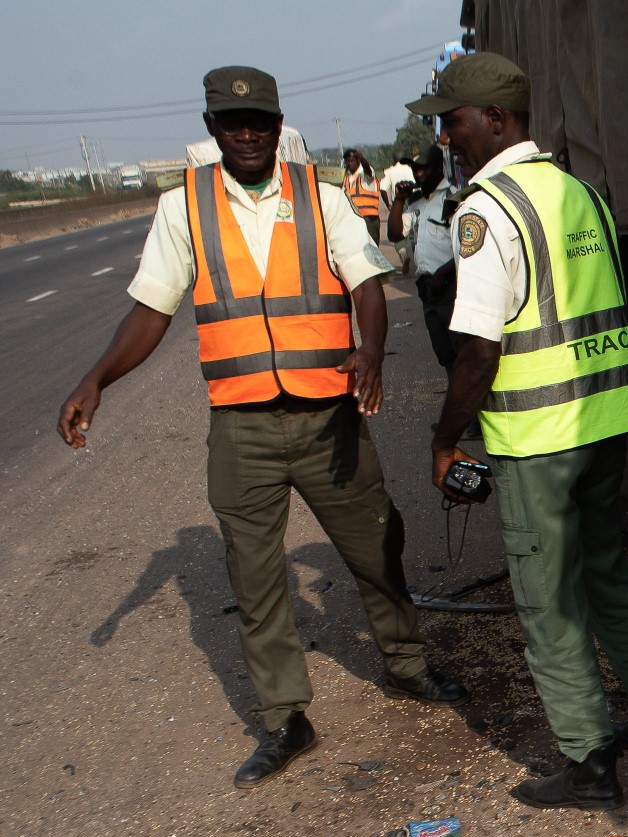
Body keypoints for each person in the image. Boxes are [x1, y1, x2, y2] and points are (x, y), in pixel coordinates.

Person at [55, 66, 469, 790]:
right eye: (231, 123)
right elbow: (152, 307)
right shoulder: (182, 208)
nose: (246, 134)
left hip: (326, 417)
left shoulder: (323, 197)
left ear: (279, 125)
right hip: (241, 427)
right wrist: (97, 379)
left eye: (259, 121)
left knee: (377, 543)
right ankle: (286, 718)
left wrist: (370, 348)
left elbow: (367, 282)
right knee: (255, 575)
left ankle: (406, 664)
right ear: (212, 128)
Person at [407, 53, 628, 812]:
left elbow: (478, 352)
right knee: (605, 573)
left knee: (549, 601)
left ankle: (590, 764)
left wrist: (444, 440)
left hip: (540, 438)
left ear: (495, 120)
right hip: (608, 423)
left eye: (452, 118)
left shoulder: (485, 211)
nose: (444, 133)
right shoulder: (581, 194)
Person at [388, 145, 460, 368]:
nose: (418, 174)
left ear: (439, 168)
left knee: (461, 352)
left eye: (423, 169)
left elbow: (467, 246)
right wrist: (399, 201)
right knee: (444, 353)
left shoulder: (453, 197)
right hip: (428, 289)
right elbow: (395, 234)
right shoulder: (416, 202)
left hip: (451, 286)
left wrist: (444, 272)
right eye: (415, 169)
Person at [377, 157, 416, 272]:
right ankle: (418, 259)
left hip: (400, 203)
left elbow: (383, 189)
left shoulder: (390, 171)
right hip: (415, 201)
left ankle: (404, 255)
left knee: (399, 233)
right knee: (414, 231)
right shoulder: (411, 169)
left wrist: (388, 204)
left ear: (393, 161)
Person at [342, 149, 382, 244]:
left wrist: (362, 159)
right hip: (352, 219)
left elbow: (368, 170)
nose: (350, 163)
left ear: (358, 161)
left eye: (352, 160)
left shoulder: (365, 176)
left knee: (372, 248)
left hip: (368, 219)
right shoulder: (345, 179)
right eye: (347, 161)